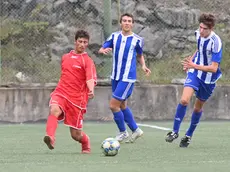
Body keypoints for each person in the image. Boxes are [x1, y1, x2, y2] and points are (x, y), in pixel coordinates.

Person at [165, 13, 223, 147]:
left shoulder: (216, 43)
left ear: (211, 28)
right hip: (194, 73)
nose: (201, 31)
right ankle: (174, 131)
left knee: (197, 108)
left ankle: (189, 135)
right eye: (200, 27)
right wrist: (191, 61)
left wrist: (194, 65)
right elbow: (199, 49)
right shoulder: (198, 34)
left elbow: (214, 68)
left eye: (205, 29)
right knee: (184, 100)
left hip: (208, 79)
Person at [98, 13, 151, 143]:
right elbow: (102, 48)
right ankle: (136, 130)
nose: (127, 23)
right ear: (121, 23)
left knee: (113, 105)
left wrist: (143, 66)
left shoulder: (137, 40)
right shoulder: (115, 36)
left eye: (129, 21)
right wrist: (102, 51)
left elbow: (139, 55)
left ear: (132, 24)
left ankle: (122, 132)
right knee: (122, 105)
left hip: (128, 78)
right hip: (115, 76)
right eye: (124, 21)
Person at [43, 30, 97, 154]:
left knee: (75, 135)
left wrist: (91, 90)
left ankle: (85, 143)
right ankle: (50, 137)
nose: (82, 44)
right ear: (75, 41)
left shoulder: (87, 61)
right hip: (61, 92)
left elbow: (90, 78)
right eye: (80, 41)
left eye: (85, 42)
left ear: (87, 44)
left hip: (77, 100)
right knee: (54, 110)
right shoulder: (65, 57)